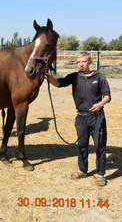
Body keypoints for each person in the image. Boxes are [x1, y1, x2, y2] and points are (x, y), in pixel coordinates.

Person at [45, 51, 111, 187]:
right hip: (81, 117)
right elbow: (58, 83)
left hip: (97, 117)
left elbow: (107, 96)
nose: (81, 64)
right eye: (78, 62)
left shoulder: (99, 77)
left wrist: (100, 104)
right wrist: (49, 77)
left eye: (83, 61)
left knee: (99, 145)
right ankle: (83, 170)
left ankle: (100, 174)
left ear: (89, 62)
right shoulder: (74, 77)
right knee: (81, 145)